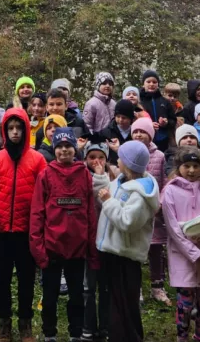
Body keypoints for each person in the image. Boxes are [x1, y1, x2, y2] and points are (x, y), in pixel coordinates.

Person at [0, 108, 47, 342]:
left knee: (26, 280)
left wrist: (40, 230)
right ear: (4, 131)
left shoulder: (38, 159)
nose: (15, 132)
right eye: (10, 128)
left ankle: (25, 324)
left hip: (26, 232)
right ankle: (4, 325)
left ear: (26, 130)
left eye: (19, 128)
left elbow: (43, 196)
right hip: (2, 232)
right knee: (2, 281)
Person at [30, 127, 98, 342]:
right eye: (59, 147)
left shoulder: (84, 173)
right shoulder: (46, 174)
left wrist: (92, 249)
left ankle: (75, 333)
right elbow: (37, 213)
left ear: (75, 148)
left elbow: (90, 212)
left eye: (68, 146)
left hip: (77, 250)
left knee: (77, 297)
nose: (64, 150)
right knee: (49, 298)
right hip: (51, 249)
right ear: (54, 149)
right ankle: (49, 333)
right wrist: (39, 250)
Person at [92, 140, 160, 342]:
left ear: (128, 164)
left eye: (120, 157)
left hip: (125, 257)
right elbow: (110, 195)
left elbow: (126, 221)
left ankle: (129, 337)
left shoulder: (140, 194)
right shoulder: (122, 180)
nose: (117, 160)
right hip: (112, 252)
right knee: (114, 302)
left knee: (124, 305)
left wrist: (107, 201)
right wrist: (103, 182)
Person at [162, 150, 200, 342]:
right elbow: (172, 228)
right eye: (187, 166)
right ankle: (182, 337)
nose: (192, 170)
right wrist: (193, 252)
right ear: (179, 167)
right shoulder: (170, 190)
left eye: (196, 166)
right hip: (183, 257)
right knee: (184, 306)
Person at [129, 117, 169, 305]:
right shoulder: (127, 153)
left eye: (142, 132)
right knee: (135, 250)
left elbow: (164, 181)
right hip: (135, 210)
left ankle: (157, 286)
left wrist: (159, 203)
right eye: (135, 131)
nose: (138, 135)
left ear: (150, 135)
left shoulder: (159, 156)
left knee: (155, 249)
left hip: (154, 212)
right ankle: (135, 287)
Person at [83, 142, 116, 342]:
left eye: (101, 157)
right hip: (88, 239)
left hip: (107, 238)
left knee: (105, 287)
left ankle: (105, 326)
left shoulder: (112, 176)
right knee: (87, 288)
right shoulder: (82, 175)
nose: (96, 161)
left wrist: (102, 174)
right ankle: (88, 326)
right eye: (92, 157)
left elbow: (104, 198)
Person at [139, 70, 174, 152]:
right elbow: (135, 121)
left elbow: (173, 120)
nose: (151, 84)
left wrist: (166, 123)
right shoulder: (139, 102)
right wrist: (148, 125)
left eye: (154, 82)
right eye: (148, 82)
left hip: (163, 140)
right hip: (145, 139)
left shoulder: (165, 102)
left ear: (158, 85)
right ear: (143, 84)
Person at [83, 72, 117, 142]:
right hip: (97, 141)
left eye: (110, 84)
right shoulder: (91, 103)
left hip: (112, 140)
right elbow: (87, 125)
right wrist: (92, 139)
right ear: (98, 85)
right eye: (104, 83)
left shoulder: (113, 103)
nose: (107, 86)